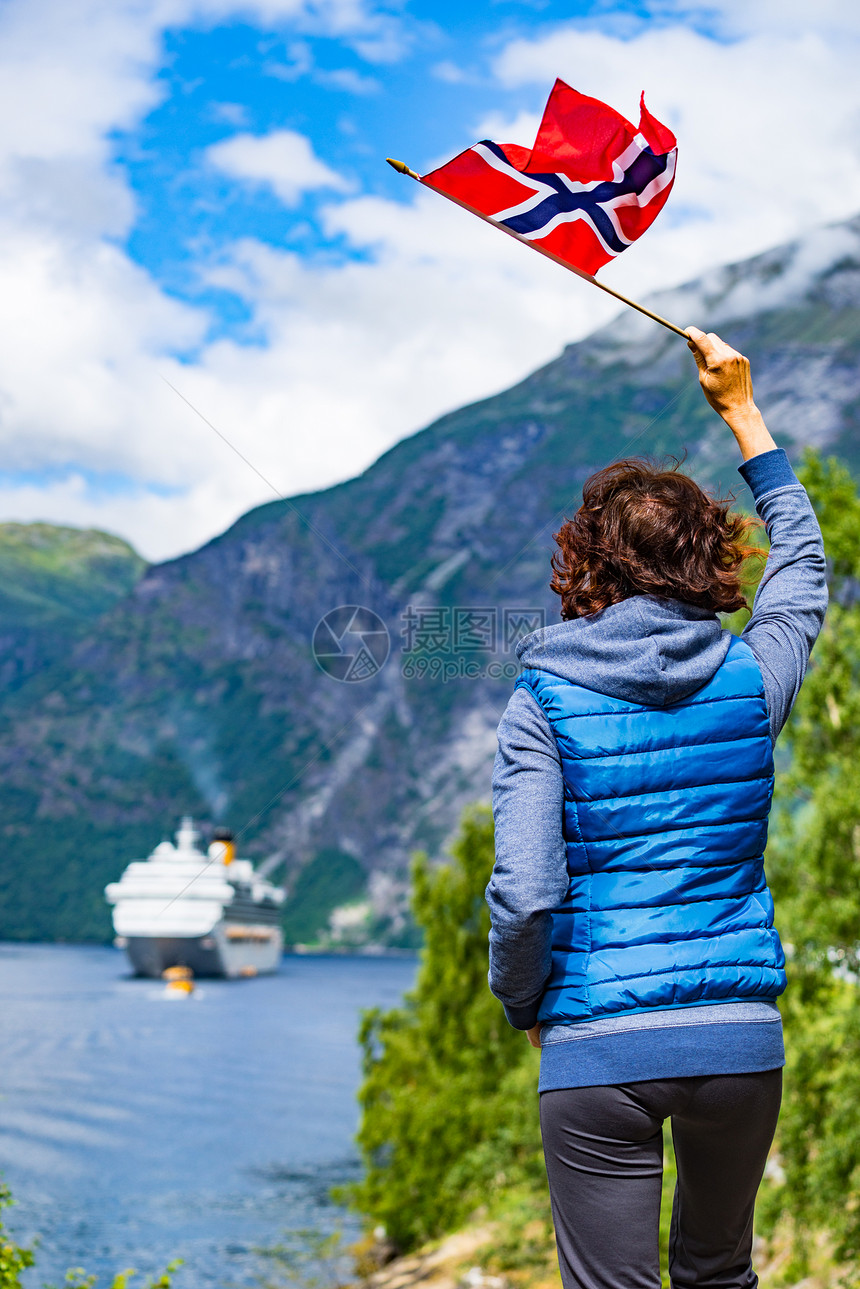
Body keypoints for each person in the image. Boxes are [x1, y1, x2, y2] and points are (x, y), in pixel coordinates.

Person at [486, 327, 828, 1289]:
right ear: (709, 555)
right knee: (718, 1273)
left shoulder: (541, 700)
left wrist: (526, 1003)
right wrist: (742, 414)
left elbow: (525, 890)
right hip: (738, 1033)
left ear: (588, 560)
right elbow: (803, 564)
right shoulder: (753, 678)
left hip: (596, 1041)